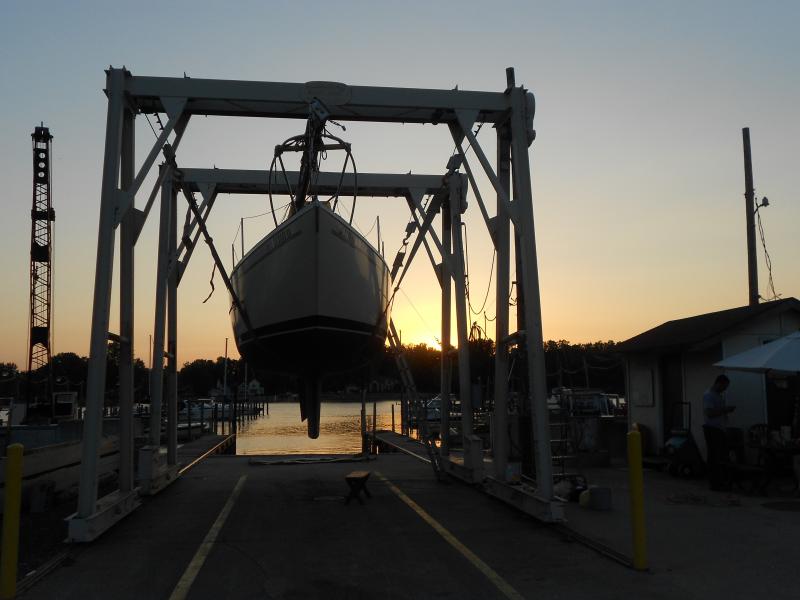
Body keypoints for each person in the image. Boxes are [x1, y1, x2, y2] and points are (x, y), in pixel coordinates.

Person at [702, 374, 735, 490]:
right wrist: (725, 410)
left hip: (719, 429)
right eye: (724, 386)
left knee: (720, 456)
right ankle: (715, 483)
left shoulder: (718, 395)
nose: (725, 389)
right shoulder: (709, 396)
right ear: (718, 383)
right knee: (714, 457)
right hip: (712, 429)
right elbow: (709, 413)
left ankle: (721, 481)